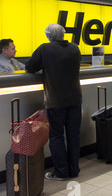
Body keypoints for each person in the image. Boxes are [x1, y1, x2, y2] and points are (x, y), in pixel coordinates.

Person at [25, 24, 82, 180]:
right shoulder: (75, 48)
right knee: (74, 135)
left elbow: (30, 67)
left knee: (56, 136)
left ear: (49, 35)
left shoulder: (45, 49)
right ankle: (74, 169)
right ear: (63, 34)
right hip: (75, 98)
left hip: (55, 99)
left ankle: (61, 172)